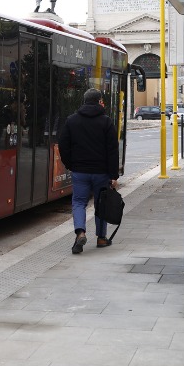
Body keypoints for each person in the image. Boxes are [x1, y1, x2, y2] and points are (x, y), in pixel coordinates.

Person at [57, 88, 120, 253]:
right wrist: (113, 175)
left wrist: (70, 164)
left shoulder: (72, 120)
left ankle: (80, 232)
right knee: (101, 204)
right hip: (101, 172)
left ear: (84, 101)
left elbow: (63, 145)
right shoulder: (106, 122)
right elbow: (113, 150)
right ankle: (101, 238)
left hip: (80, 171)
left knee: (79, 202)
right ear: (99, 101)